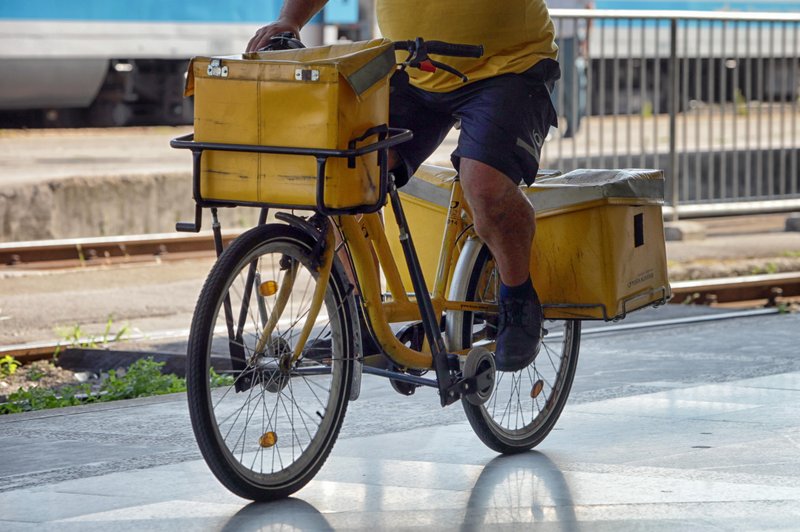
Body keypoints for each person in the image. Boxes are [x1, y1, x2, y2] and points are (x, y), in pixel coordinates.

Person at [248, 1, 560, 372]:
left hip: (508, 68)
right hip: (414, 67)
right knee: (339, 173)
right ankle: (360, 316)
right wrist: (290, 20)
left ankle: (518, 299)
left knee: (486, 188)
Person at [547, 0, 593, 138]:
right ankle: (549, 127)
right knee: (549, 84)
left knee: (571, 84)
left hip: (570, 39)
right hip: (549, 38)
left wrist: (586, 39)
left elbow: (589, 7)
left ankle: (573, 124)